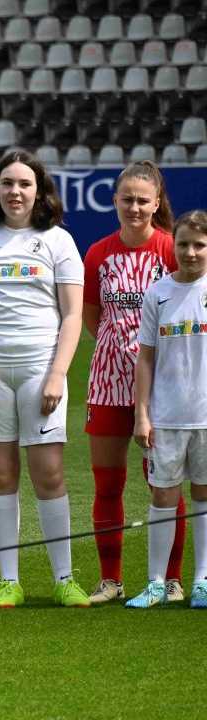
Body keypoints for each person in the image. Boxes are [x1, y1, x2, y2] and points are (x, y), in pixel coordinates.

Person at [0, 150, 90, 608]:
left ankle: (64, 578)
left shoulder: (58, 242)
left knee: (48, 474)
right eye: (7, 183)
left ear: (39, 190)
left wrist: (56, 374)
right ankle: (9, 580)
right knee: (1, 472)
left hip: (40, 370)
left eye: (24, 184)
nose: (15, 192)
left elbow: (72, 316)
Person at [82, 161, 183, 605]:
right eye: (127, 199)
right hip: (108, 380)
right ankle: (110, 580)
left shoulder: (171, 251)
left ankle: (172, 579)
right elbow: (90, 315)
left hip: (162, 385)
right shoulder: (99, 253)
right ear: (115, 201)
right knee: (107, 484)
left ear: (157, 203)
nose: (135, 207)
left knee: (164, 484)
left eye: (143, 200)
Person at [127, 210, 207, 609]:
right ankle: (157, 582)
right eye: (183, 244)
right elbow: (145, 358)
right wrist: (143, 413)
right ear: (171, 245)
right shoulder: (157, 292)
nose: (190, 253)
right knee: (163, 495)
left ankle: (202, 581)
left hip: (205, 416)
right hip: (167, 416)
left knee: (204, 495)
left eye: (199, 245)